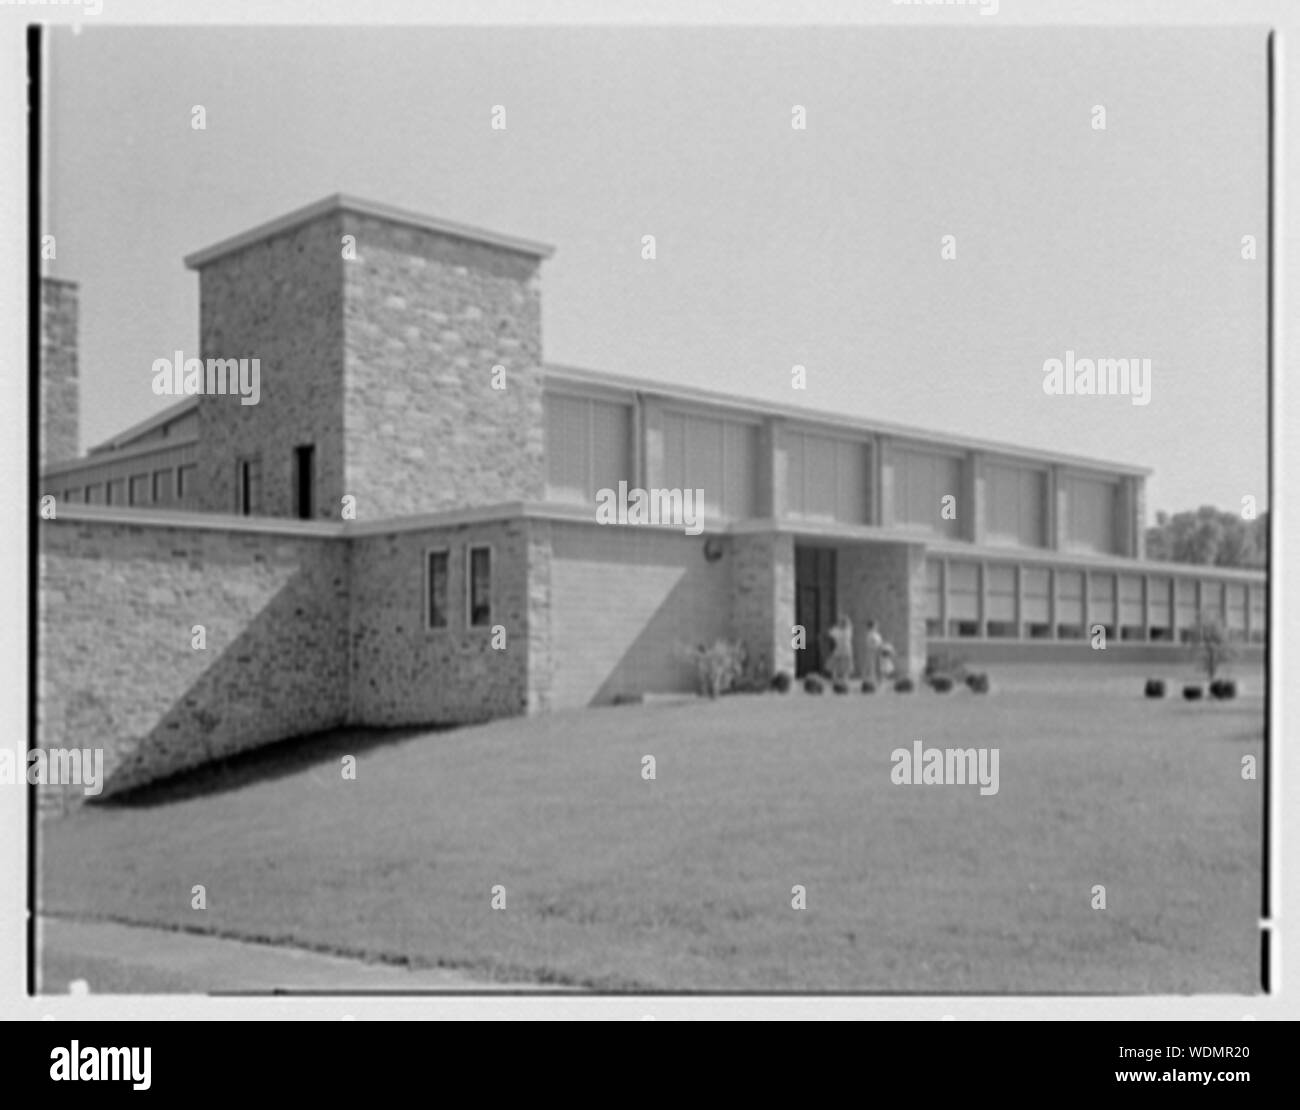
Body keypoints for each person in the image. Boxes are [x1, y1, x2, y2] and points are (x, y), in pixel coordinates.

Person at [826, 614, 855, 682]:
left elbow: (830, 633)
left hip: (840, 648)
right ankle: (844, 677)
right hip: (846, 648)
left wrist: (836, 627)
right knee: (845, 663)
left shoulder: (838, 630)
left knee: (835, 662)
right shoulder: (848, 630)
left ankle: (835, 676)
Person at [864, 620, 884, 685]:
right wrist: (875, 647)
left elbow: (879, 642)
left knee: (879, 666)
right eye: (875, 625)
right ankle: (872, 681)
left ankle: (879, 680)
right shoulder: (870, 634)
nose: (876, 627)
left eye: (876, 625)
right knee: (872, 666)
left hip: (878, 652)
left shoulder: (876, 634)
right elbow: (871, 643)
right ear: (872, 626)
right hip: (873, 652)